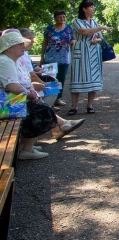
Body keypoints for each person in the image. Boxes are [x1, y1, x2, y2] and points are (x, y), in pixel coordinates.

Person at [0, 32, 84, 160]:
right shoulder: (5, 61)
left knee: (41, 107)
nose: (24, 46)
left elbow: (20, 83)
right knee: (41, 110)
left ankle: (28, 145)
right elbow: (12, 86)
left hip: (13, 100)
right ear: (10, 46)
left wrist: (31, 92)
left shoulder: (12, 60)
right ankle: (27, 149)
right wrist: (30, 93)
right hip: (6, 104)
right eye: (20, 44)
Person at [69, 0, 112, 115]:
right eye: (91, 7)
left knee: (94, 78)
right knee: (77, 77)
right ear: (84, 9)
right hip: (81, 50)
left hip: (93, 53)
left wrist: (96, 40)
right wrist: (101, 27)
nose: (93, 9)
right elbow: (84, 32)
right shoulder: (77, 21)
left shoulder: (94, 22)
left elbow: (100, 37)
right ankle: (74, 106)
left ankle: (90, 105)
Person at [41, 10, 74, 106]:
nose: (62, 18)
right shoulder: (49, 29)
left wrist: (73, 42)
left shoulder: (69, 28)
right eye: (60, 17)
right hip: (50, 57)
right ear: (55, 18)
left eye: (64, 16)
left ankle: (58, 98)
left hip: (64, 58)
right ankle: (47, 99)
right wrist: (42, 56)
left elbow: (73, 39)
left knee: (61, 78)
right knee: (49, 78)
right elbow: (45, 42)